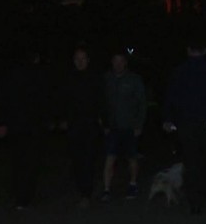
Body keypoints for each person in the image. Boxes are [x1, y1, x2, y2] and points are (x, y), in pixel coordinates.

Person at [162, 34, 206, 214]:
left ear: (188, 51)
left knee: (191, 161)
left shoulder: (179, 71)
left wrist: (168, 119)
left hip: (186, 124)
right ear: (205, 51)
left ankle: (194, 200)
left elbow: (170, 97)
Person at [0, 49, 54, 211]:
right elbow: (4, 97)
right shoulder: (16, 74)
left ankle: (23, 196)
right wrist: (2, 122)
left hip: (30, 125)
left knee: (25, 161)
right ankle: (22, 195)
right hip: (22, 125)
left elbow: (45, 99)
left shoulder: (37, 74)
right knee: (23, 161)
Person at [100, 49, 147, 202]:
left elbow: (142, 103)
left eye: (121, 61)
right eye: (115, 61)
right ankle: (106, 189)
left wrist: (139, 124)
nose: (118, 64)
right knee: (110, 157)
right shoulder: (106, 79)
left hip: (129, 126)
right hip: (112, 126)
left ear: (125, 62)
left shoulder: (134, 79)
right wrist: (103, 122)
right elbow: (102, 102)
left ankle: (133, 184)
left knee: (131, 157)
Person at [59, 45, 103, 208]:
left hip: (90, 124)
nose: (80, 62)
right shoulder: (69, 78)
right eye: (77, 59)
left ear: (88, 60)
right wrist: (63, 119)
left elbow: (101, 100)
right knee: (77, 159)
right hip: (74, 125)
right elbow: (63, 101)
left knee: (89, 158)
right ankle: (82, 189)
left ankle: (87, 193)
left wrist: (102, 119)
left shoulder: (95, 78)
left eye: (83, 58)